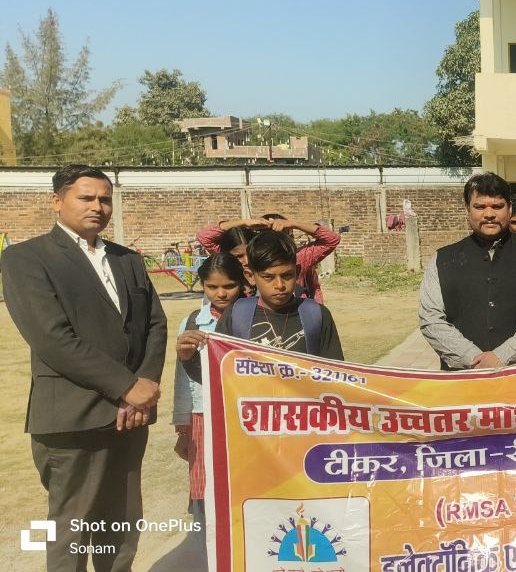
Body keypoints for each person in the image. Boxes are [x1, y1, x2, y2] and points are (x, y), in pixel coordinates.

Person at [2, 165, 167, 571]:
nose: (98, 206)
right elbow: (52, 339)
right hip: (72, 416)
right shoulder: (25, 258)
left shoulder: (127, 260)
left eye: (105, 199)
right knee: (71, 532)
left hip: (130, 418)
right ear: (57, 201)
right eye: (86, 197)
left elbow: (154, 324)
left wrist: (144, 386)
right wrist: (126, 386)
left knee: (121, 527)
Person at [420, 173, 516, 369]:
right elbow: (430, 318)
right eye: (480, 207)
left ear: (509, 208)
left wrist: (505, 355)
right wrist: (472, 358)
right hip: (463, 377)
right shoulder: (442, 260)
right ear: (467, 209)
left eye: (497, 206)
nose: (489, 214)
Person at [172, 252, 248, 549]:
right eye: (212, 287)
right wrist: (183, 428)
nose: (221, 294)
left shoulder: (254, 318)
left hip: (243, 414)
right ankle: (211, 548)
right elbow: (183, 378)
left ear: (243, 282)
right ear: (202, 285)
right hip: (204, 414)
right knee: (206, 486)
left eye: (229, 286)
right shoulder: (194, 322)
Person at [216, 232, 344, 359]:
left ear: (297, 272)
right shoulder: (235, 315)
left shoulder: (317, 315)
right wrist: (202, 349)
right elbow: (218, 364)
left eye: (287, 275)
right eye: (268, 277)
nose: (280, 285)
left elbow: (334, 368)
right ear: (251, 277)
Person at [196, 214, 341, 304]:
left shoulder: (295, 260)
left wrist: (294, 223)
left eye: (286, 275)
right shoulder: (230, 263)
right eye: (239, 256)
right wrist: (244, 222)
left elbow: (331, 239)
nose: (246, 261)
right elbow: (204, 237)